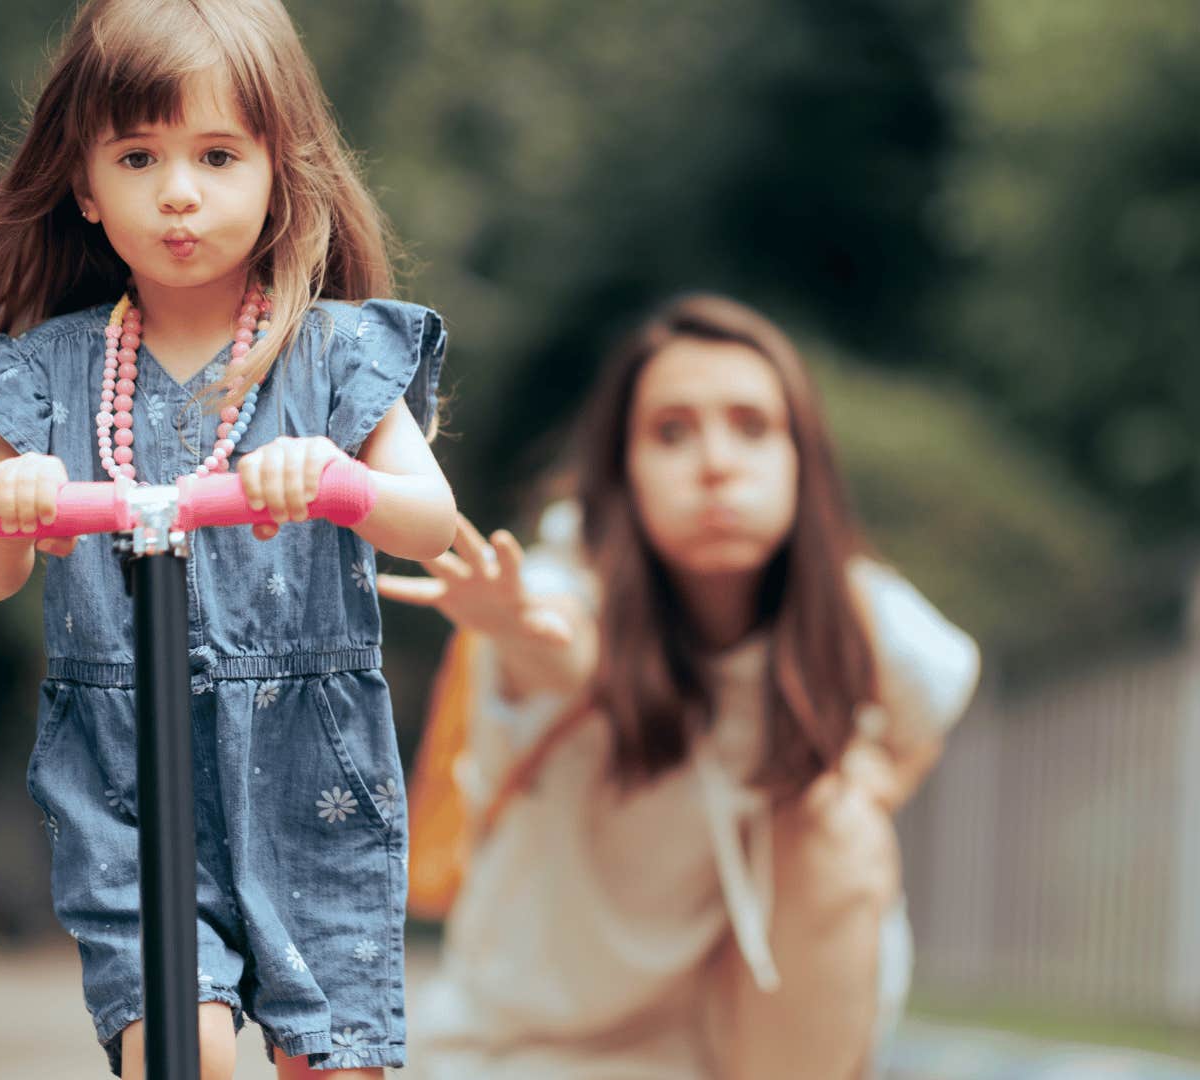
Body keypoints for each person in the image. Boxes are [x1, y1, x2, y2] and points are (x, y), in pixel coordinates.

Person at [0, 1, 457, 1075]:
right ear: (86, 186)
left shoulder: (335, 355)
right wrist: (19, 505)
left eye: (217, 154)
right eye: (139, 155)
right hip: (124, 773)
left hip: (308, 756)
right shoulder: (50, 376)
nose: (179, 190)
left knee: (333, 1059)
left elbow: (431, 523)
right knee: (182, 1051)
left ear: (280, 172)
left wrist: (338, 480)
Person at [379, 293, 980, 1079]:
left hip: (730, 1043)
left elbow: (940, 693)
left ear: (803, 460)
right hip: (529, 1050)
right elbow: (564, 650)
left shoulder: (856, 614)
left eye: (752, 427)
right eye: (671, 432)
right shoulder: (565, 584)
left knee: (841, 820)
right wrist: (514, 626)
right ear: (624, 471)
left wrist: (863, 785)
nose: (717, 463)